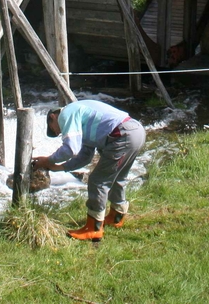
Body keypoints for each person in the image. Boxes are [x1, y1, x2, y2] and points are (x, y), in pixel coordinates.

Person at [32, 99, 146, 242]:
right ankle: (117, 217)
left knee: (97, 181)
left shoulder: (66, 114)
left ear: (52, 117)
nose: (60, 132)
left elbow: (70, 149)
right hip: (136, 131)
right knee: (117, 177)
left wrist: (48, 160)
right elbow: (84, 157)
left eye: (56, 129)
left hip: (122, 134)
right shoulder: (81, 117)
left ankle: (93, 228)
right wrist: (59, 167)